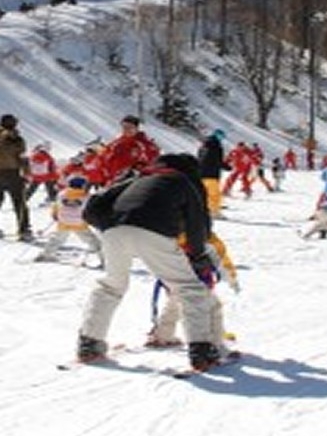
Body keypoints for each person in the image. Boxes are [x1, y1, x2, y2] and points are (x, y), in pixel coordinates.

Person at [76, 153, 231, 372]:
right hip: (154, 231)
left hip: (114, 231)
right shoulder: (184, 182)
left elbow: (92, 209)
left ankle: (89, 342)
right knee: (190, 289)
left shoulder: (140, 178)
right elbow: (198, 224)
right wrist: (197, 255)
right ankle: (202, 350)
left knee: (111, 285)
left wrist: (114, 226)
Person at [35, 175, 102, 264]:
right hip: (79, 223)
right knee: (92, 241)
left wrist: (55, 215)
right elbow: (90, 210)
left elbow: (56, 206)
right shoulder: (87, 196)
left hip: (64, 221)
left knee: (57, 239)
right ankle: (105, 259)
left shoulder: (62, 194)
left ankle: (46, 254)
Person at [97, 115, 160, 185]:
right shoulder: (116, 143)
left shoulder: (145, 144)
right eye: (124, 127)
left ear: (136, 128)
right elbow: (103, 159)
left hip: (133, 183)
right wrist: (102, 177)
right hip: (113, 182)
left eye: (130, 127)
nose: (127, 130)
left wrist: (138, 169)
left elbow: (153, 162)